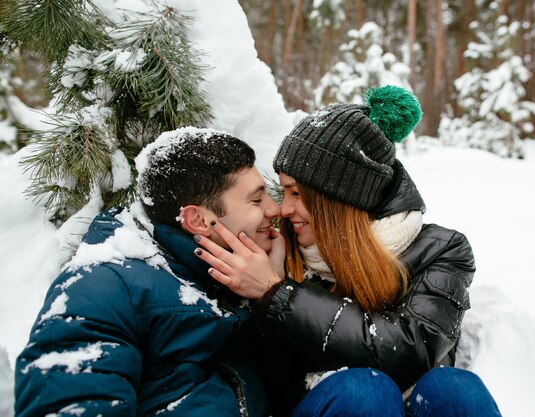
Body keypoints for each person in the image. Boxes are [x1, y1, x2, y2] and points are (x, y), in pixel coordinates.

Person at [194, 86, 502, 417]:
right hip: (325, 406)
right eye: (283, 192)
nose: (283, 210)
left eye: (296, 193)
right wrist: (268, 299)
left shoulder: (441, 250)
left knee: (454, 389)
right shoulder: (282, 249)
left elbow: (410, 351)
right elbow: (275, 386)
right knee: (362, 393)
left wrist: (277, 294)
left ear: (339, 200)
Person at [14, 127, 282, 417]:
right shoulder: (104, 286)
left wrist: (274, 294)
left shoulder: (238, 271)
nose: (274, 209)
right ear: (199, 220)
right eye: (256, 200)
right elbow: (69, 402)